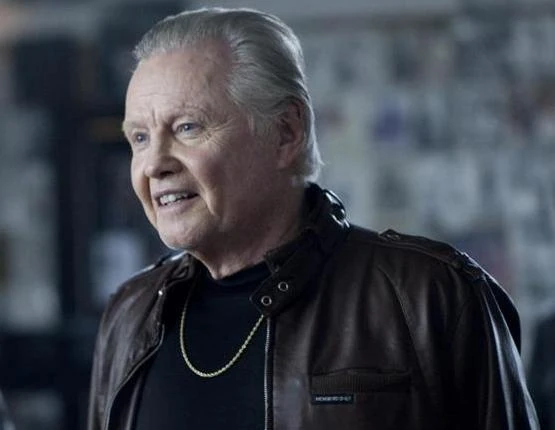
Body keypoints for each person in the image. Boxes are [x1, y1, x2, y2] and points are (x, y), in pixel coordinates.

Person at [87, 7, 539, 430]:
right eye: (140, 138)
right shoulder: (130, 314)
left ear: (287, 132)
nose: (154, 164)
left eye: (188, 127)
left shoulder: (431, 295)